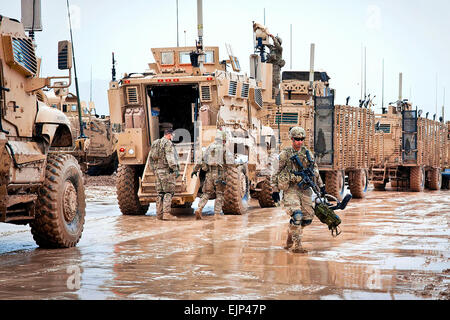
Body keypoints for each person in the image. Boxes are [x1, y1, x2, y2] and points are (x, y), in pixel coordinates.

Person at [271, 126, 326, 253]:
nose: (299, 142)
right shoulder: (285, 154)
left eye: (301, 139)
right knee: (297, 215)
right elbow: (275, 172)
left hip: (305, 189)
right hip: (291, 189)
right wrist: (274, 191)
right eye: (297, 139)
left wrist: (321, 187)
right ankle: (297, 245)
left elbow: (315, 170)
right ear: (291, 139)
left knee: (307, 219)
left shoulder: (307, 153)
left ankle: (290, 234)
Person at [191, 130, 229, 220]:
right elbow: (229, 162)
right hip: (220, 175)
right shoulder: (224, 148)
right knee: (220, 194)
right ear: (223, 139)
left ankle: (199, 208)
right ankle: (217, 214)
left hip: (209, 174)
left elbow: (200, 160)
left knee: (206, 193)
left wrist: (195, 170)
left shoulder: (209, 147)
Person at [150, 128, 180, 220]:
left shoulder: (156, 143)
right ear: (169, 135)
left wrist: (153, 170)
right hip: (165, 171)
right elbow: (170, 157)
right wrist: (175, 168)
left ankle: (159, 215)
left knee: (160, 193)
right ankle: (166, 214)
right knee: (168, 192)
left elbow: (151, 158)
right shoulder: (168, 143)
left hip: (158, 171)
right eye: (172, 135)